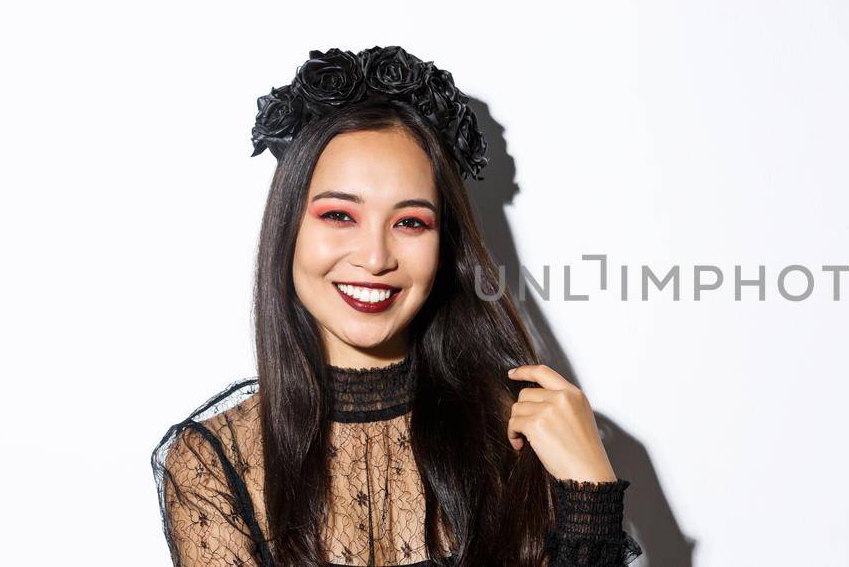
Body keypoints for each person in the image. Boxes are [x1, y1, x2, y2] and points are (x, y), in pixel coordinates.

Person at [150, 46, 643, 567]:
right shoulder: (215, 463)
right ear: (289, 228)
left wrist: (592, 494)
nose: (376, 257)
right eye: (340, 215)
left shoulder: (525, 430)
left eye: (410, 222)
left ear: (444, 244)